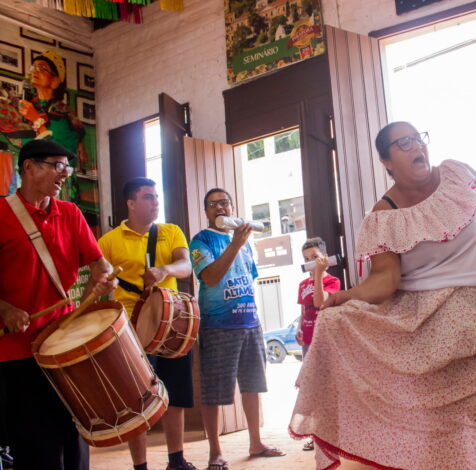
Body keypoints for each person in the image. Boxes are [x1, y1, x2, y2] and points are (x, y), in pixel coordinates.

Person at [289, 122, 476, 470]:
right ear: (386, 161)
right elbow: (385, 279)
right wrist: (346, 296)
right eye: (403, 143)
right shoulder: (383, 216)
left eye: (418, 139)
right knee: (442, 432)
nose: (416, 147)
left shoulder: (456, 174)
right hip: (426, 326)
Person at [0, 139, 116, 470]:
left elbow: (100, 265)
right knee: (36, 444)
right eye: (58, 165)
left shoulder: (70, 213)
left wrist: (103, 278)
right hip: (17, 351)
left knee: (75, 437)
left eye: (68, 167)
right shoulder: (2, 214)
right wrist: (5, 309)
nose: (65, 174)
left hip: (65, 345)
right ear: (29, 167)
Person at [97, 177, 196, 470]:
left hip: (173, 324)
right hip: (131, 330)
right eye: (148, 197)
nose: (155, 202)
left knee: (175, 394)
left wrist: (164, 270)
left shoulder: (170, 231)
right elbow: (100, 279)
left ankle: (176, 460)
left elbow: (186, 265)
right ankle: (140, 466)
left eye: (156, 196)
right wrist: (105, 284)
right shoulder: (109, 241)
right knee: (137, 401)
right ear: (131, 203)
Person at [190, 188, 285, 470]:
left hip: (250, 322)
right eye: (213, 204)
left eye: (224, 202)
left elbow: (249, 278)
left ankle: (256, 443)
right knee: (214, 392)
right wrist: (234, 244)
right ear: (206, 211)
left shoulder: (244, 242)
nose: (220, 207)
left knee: (252, 386)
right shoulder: (201, 240)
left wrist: (239, 243)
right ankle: (215, 452)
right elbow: (210, 277)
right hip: (218, 326)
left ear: (232, 207)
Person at [294, 236, 341, 452]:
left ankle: (332, 434)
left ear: (325, 257)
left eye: (315, 257)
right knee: (312, 387)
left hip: (325, 341)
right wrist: (299, 327)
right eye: (306, 259)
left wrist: (320, 276)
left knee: (328, 386)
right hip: (308, 342)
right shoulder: (303, 285)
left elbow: (320, 303)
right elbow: (305, 308)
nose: (311, 262)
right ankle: (316, 434)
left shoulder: (332, 281)